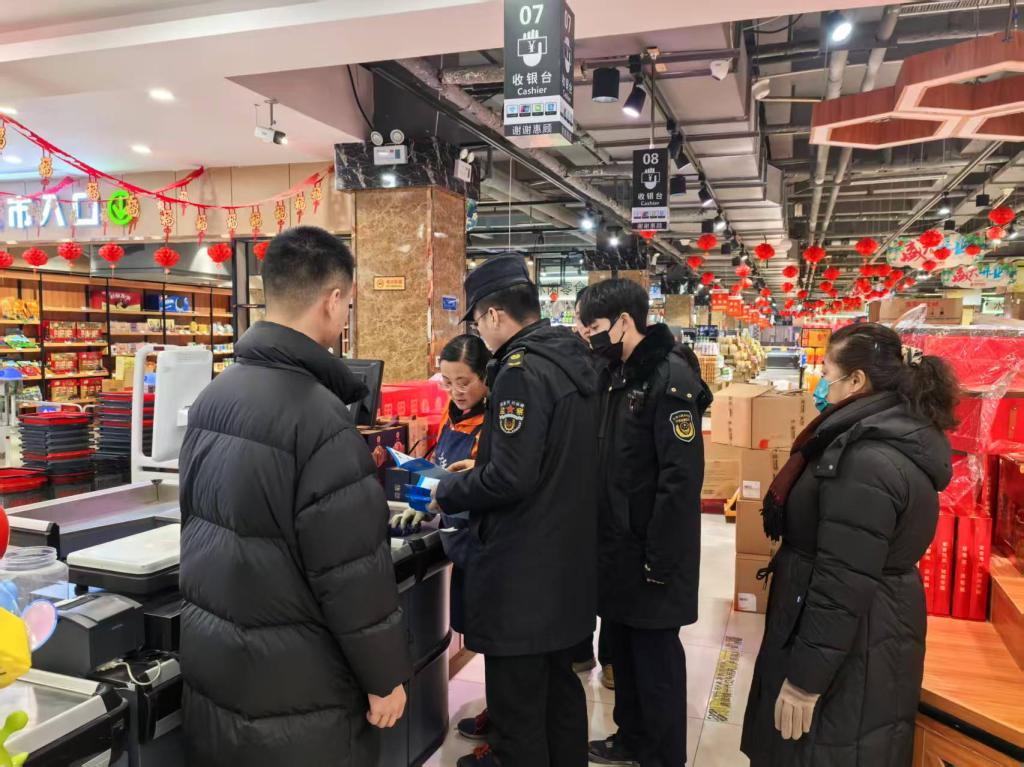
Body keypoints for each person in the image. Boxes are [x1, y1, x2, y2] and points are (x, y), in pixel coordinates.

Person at [178, 226, 412, 766]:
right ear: (332, 300)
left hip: (220, 677)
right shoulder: (321, 419)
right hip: (303, 696)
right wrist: (384, 677)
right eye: (348, 304)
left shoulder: (213, 396)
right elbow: (351, 572)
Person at [741, 323, 956, 767]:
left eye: (826, 373)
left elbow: (842, 581)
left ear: (856, 380)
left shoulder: (865, 460)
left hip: (850, 645)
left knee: (822, 748)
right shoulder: (882, 435)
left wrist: (805, 680)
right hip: (863, 633)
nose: (821, 384)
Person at [430, 254, 599, 767]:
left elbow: (511, 477)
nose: (479, 333)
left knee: (519, 703)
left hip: (524, 569)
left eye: (478, 321)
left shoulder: (521, 372)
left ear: (494, 314)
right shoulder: (572, 358)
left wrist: (449, 491)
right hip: (565, 561)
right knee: (558, 690)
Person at [580, 279, 712, 767]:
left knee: (656, 662)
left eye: (593, 325)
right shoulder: (614, 373)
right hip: (617, 547)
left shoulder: (669, 378)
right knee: (626, 654)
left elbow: (680, 479)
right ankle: (631, 737)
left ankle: (662, 755)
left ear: (624, 322)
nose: (587, 335)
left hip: (653, 550)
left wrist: (661, 556)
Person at [568, 285, 614, 690]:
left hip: (609, 486)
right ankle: (581, 649)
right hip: (581, 484)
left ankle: (611, 657)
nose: (582, 329)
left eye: (590, 323)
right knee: (579, 570)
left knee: (611, 572)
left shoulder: (618, 367)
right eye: (580, 321)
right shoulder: (578, 360)